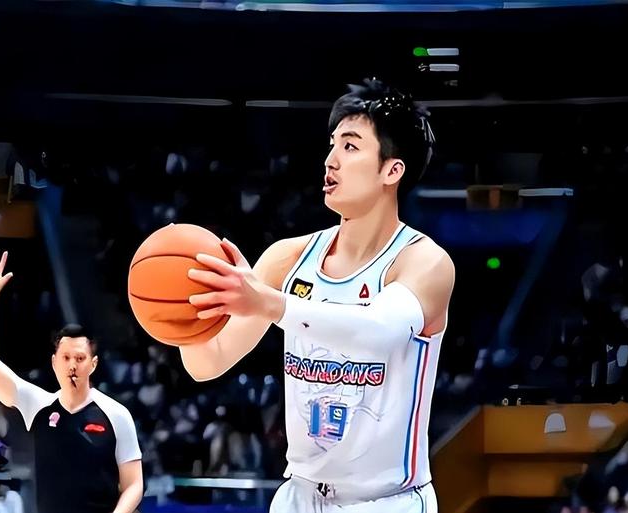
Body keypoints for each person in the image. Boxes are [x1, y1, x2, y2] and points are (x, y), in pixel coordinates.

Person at [179, 78, 454, 513]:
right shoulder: (287, 258)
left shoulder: (424, 263)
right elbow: (207, 363)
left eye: (350, 146)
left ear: (392, 170)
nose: (330, 160)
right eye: (331, 145)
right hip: (299, 495)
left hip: (387, 501)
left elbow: (377, 332)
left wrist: (270, 303)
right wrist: (182, 311)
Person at [0, 247, 143, 513]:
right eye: (65, 358)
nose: (72, 365)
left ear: (93, 364)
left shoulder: (116, 414)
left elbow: (134, 484)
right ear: (54, 363)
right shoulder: (38, 405)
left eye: (80, 358)